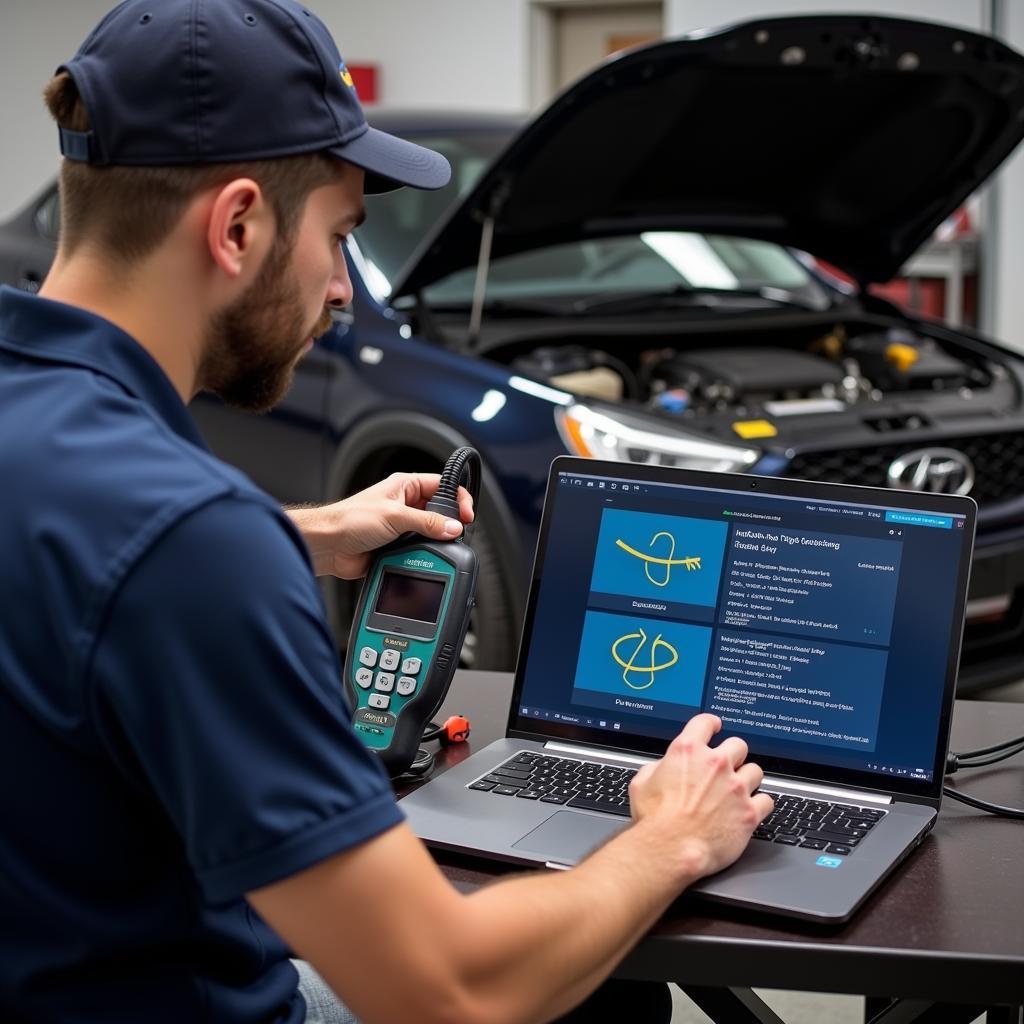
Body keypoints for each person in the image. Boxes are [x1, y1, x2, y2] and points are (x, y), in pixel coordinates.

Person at [0, 1, 773, 1022]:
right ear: (236, 226)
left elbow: (67, 555)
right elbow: (448, 988)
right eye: (338, 235)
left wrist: (305, 534)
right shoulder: (187, 543)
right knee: (604, 994)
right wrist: (673, 835)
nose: (342, 293)